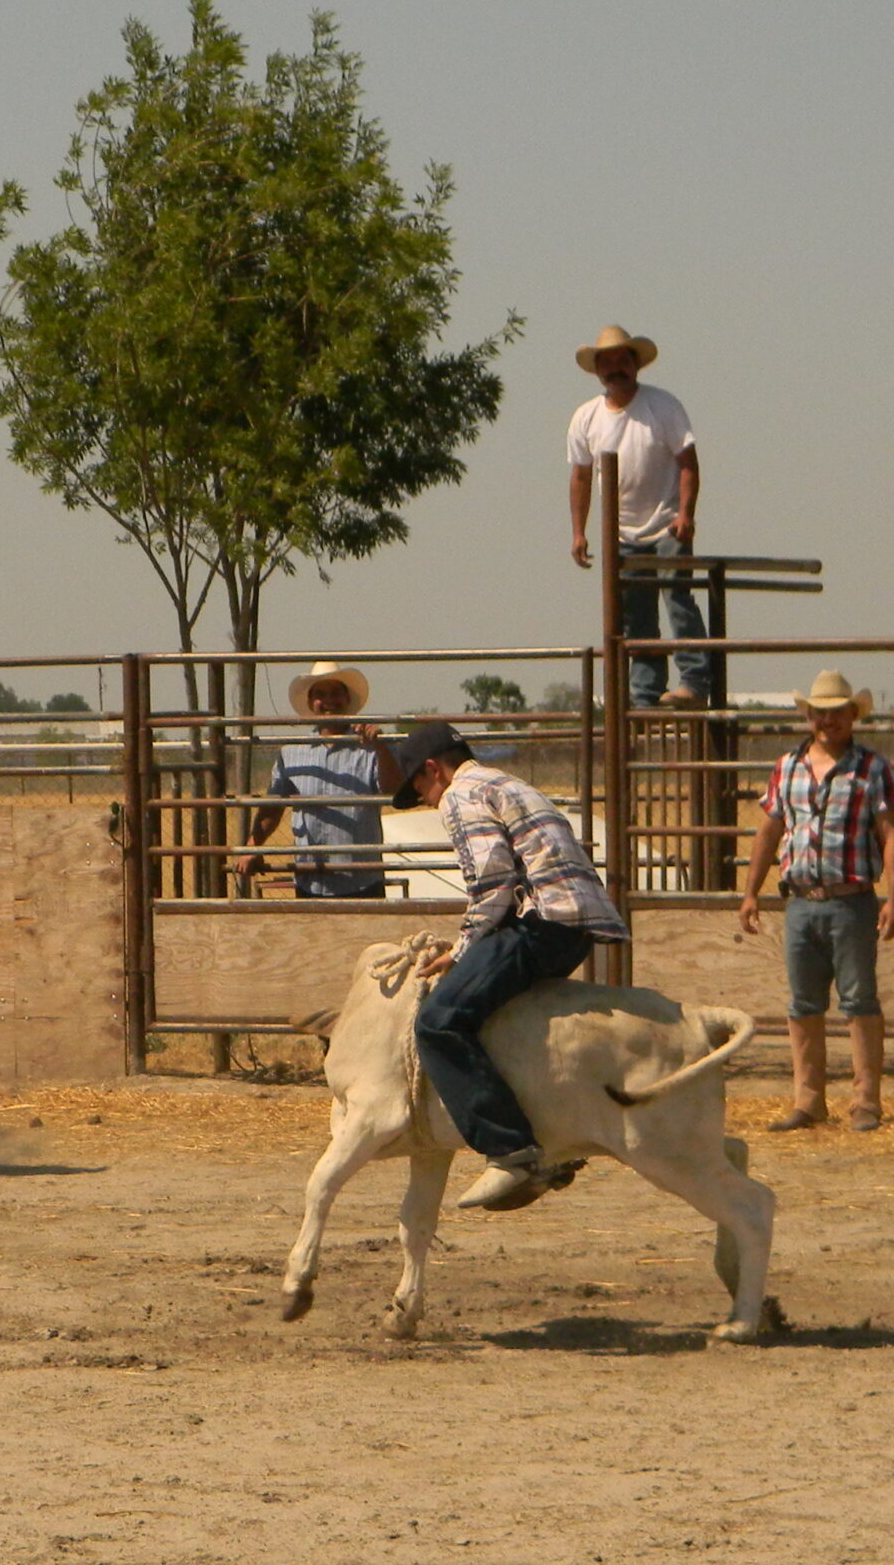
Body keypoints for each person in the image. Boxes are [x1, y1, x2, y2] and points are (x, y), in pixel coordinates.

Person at [389, 720, 630, 1211]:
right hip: (576, 928)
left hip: (540, 923)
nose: (427, 802)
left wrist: (463, 946)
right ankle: (552, 1138)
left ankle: (510, 1150)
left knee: (438, 1022)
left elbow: (493, 879)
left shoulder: (461, 795)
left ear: (433, 769)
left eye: (419, 787)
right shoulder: (508, 782)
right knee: (497, 1021)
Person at [737, 671, 894, 1132]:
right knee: (803, 1004)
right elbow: (769, 830)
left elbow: (890, 834)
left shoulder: (873, 769)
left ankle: (865, 1102)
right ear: (809, 716)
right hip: (800, 902)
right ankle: (809, 1101)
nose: (828, 719)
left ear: (853, 715)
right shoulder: (786, 766)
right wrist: (751, 891)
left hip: (852, 900)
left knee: (859, 1000)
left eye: (837, 711)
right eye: (820, 711)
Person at [566, 323, 709, 710]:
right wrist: (579, 532)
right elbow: (580, 476)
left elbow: (688, 462)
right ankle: (644, 692)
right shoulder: (586, 417)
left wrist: (685, 514)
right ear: (598, 371)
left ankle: (695, 681)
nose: (615, 368)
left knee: (676, 594)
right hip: (621, 531)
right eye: (607, 362)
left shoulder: (662, 406)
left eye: (622, 360)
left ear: (635, 365)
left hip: (666, 522)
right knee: (634, 613)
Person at [235, 662, 399, 900]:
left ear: (347, 698)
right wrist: (253, 846)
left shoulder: (371, 749)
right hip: (310, 882)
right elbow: (273, 807)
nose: (329, 701)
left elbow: (393, 790)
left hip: (362, 881)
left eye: (335, 694)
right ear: (311, 703)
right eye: (320, 695)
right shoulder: (293, 751)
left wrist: (382, 748)